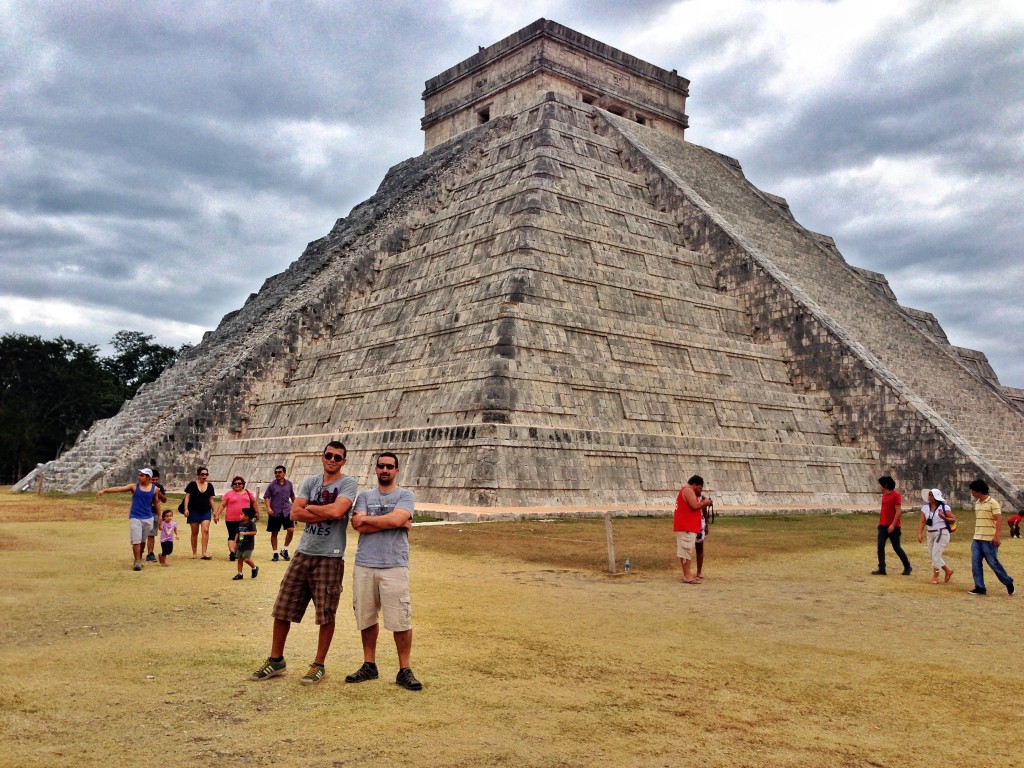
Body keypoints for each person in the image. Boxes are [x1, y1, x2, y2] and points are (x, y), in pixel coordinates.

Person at [250, 441, 357, 685]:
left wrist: (311, 507)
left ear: (343, 461)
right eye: (328, 455)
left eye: (337, 457)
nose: (332, 459)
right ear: (322, 457)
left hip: (330, 555)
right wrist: (323, 510)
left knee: (326, 612)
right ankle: (276, 659)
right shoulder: (311, 481)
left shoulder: (348, 484)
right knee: (283, 606)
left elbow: (336, 513)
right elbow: (294, 514)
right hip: (304, 552)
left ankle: (318, 664)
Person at [345, 452, 423, 691]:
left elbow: (391, 519)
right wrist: (394, 521)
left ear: (397, 470)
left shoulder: (405, 495)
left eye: (390, 466)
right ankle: (369, 664)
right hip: (365, 564)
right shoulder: (365, 495)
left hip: (394, 565)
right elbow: (359, 525)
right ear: (375, 469)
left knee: (400, 619)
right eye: (381, 466)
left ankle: (404, 669)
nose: (385, 470)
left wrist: (374, 520)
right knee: (366, 617)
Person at [96, 467, 163, 571]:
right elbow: (119, 489)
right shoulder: (134, 487)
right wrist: (105, 490)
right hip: (135, 517)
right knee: (136, 540)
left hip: (148, 518)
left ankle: (139, 558)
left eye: (142, 475)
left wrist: (160, 517)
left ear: (148, 477)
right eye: (139, 475)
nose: (139, 477)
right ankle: (137, 561)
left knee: (142, 540)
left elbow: (157, 503)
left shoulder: (154, 489)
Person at [967, 479, 1015, 596]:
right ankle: (980, 587)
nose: (972, 493)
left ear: (979, 491)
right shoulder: (977, 503)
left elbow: (999, 519)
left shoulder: (993, 503)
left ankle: (1007, 581)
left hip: (989, 540)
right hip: (977, 538)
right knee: (976, 564)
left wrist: (997, 536)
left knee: (993, 563)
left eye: (973, 490)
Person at [674, 475, 713, 585]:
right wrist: (705, 503)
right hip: (686, 526)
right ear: (695, 484)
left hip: (687, 526)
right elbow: (695, 506)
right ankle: (687, 575)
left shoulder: (686, 491)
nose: (700, 491)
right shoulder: (688, 491)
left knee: (686, 551)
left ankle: (687, 574)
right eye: (699, 488)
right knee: (686, 550)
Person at [872, 476, 912, 576]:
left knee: (896, 547)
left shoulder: (896, 495)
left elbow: (898, 512)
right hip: (883, 525)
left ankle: (907, 566)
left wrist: (893, 525)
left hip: (894, 526)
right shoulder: (884, 496)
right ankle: (882, 568)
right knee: (880, 546)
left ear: (885, 485)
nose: (880, 487)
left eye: (881, 485)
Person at [916, 488, 954, 584]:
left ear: (936, 497)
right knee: (932, 555)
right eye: (929, 495)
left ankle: (936, 576)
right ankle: (947, 570)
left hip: (941, 532)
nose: (929, 497)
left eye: (931, 495)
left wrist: (944, 517)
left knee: (935, 554)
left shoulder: (944, 508)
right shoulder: (925, 508)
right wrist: (919, 533)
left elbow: (953, 519)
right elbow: (922, 521)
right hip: (930, 533)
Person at [217, 476, 258, 561]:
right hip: (231, 519)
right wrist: (217, 514)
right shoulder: (228, 494)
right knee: (232, 535)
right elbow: (222, 505)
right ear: (232, 485)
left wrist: (257, 512)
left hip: (244, 520)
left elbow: (254, 502)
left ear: (243, 485)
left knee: (241, 536)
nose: (237, 485)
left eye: (239, 483)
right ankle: (232, 552)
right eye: (235, 484)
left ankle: (236, 552)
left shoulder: (248, 493)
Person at [264, 465, 296, 562]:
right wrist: (268, 508)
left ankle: (285, 549)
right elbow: (267, 497)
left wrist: (298, 507)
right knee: (274, 533)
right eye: (276, 472)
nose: (277, 474)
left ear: (284, 473)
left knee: (291, 530)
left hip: (287, 511)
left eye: (279, 472)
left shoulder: (289, 484)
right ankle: (275, 552)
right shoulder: (271, 485)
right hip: (275, 512)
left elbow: (292, 496)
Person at [183, 467, 216, 560]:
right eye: (202, 474)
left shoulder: (210, 486)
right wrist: (186, 509)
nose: (204, 476)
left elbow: (211, 499)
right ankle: (194, 553)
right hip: (193, 511)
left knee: (205, 530)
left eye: (206, 474)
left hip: (205, 511)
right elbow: (187, 497)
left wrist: (215, 512)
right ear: (198, 475)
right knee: (194, 532)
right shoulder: (192, 485)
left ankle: (204, 552)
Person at [144, 469, 169, 562]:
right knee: (143, 535)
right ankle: (141, 549)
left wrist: (159, 493)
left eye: (156, 480)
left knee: (151, 534)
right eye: (152, 480)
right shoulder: (144, 487)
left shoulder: (159, 487)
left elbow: (164, 500)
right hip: (144, 513)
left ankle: (150, 553)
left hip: (154, 513)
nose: (154, 482)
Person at [233, 507, 259, 580]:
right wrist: (235, 542)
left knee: (246, 559)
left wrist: (245, 533)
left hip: (248, 545)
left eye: (241, 514)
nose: (240, 516)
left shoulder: (251, 524)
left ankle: (254, 568)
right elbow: (237, 533)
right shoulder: (240, 524)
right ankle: (240, 573)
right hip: (241, 545)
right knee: (239, 559)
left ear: (246, 517)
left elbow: (254, 532)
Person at [694, 497, 712, 581]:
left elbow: (704, 512)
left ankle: (699, 571)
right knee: (687, 548)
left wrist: (706, 526)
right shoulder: (689, 497)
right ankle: (687, 572)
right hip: (690, 524)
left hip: (700, 525)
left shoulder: (702, 498)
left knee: (700, 548)